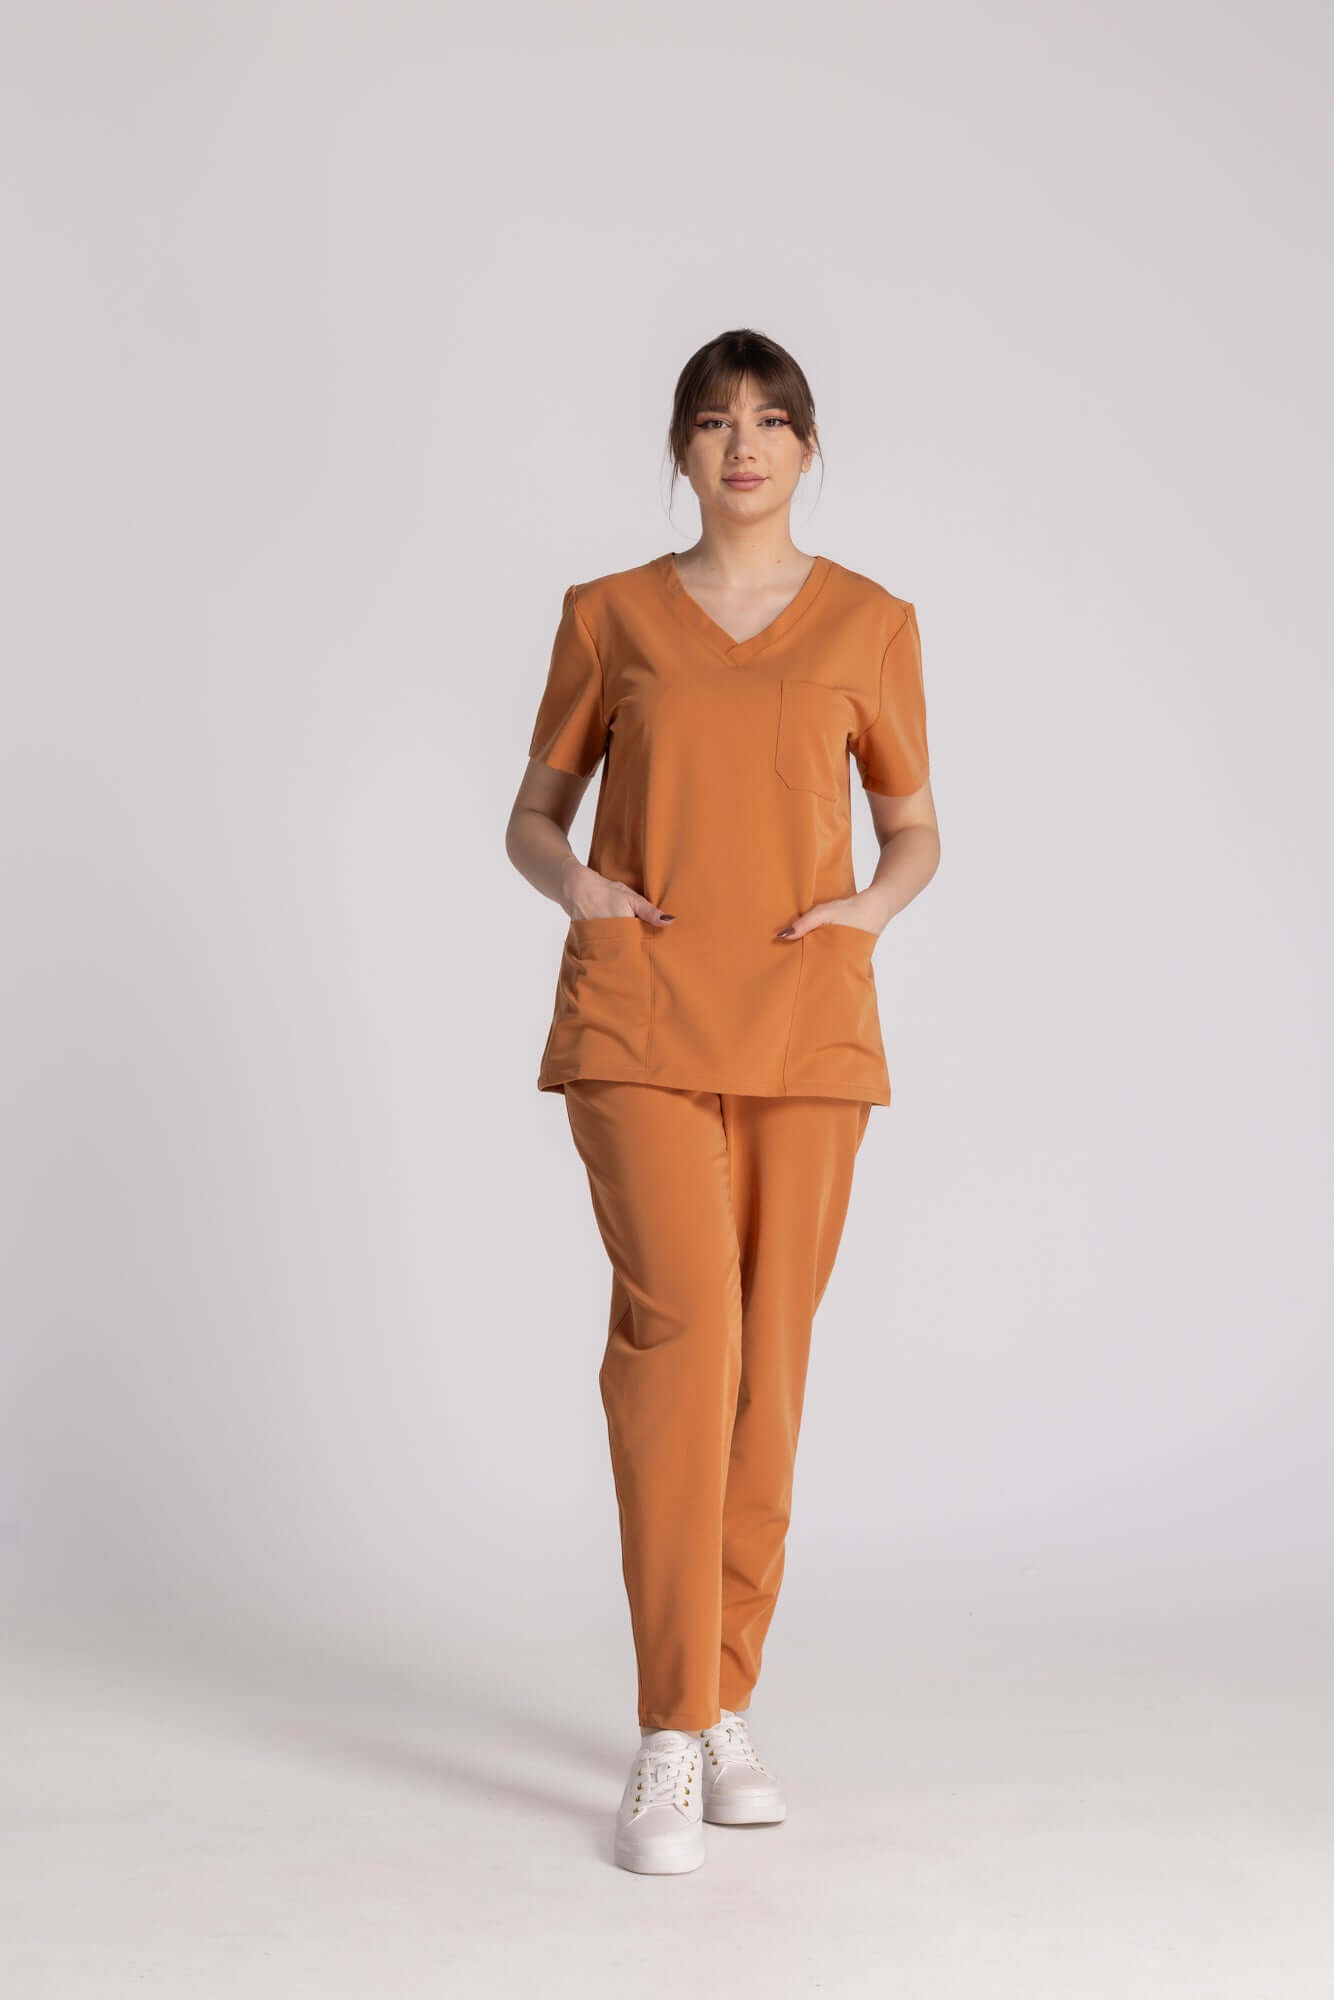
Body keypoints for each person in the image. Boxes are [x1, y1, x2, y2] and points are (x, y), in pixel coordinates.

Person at [505, 327, 941, 1874]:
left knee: (768, 1361)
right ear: (681, 450)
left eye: (769, 420)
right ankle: (669, 1728)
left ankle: (725, 1694)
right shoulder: (607, 616)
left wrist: (864, 914)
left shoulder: (871, 623)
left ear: (806, 447)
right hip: (638, 1013)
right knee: (680, 1338)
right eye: (710, 420)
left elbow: (912, 826)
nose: (741, 444)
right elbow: (533, 815)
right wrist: (583, 890)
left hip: (805, 1026)